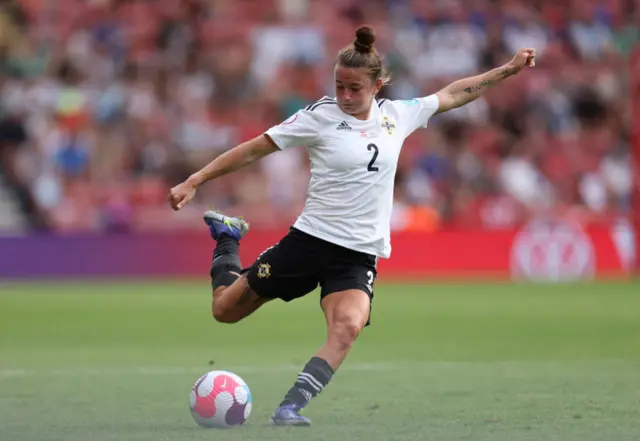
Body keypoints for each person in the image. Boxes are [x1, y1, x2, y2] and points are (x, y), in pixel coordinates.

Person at [168, 25, 535, 426]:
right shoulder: (319, 117)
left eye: (354, 88)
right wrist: (195, 180)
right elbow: (254, 148)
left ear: (377, 85)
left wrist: (508, 70)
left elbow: (453, 94)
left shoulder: (399, 115)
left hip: (358, 255)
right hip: (308, 243)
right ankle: (227, 236)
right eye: (339, 86)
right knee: (225, 311)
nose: (344, 96)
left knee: (348, 327)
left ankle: (290, 408)